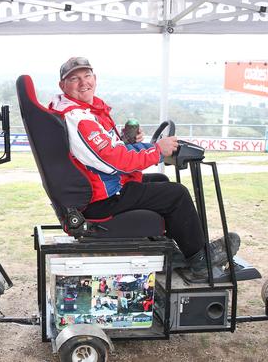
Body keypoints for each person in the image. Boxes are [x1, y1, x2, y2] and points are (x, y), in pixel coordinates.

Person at [48, 57, 240, 279]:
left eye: (87, 76)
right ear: (63, 85)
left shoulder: (82, 111)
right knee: (176, 194)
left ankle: (174, 251)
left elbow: (101, 152)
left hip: (97, 189)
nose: (83, 83)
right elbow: (112, 160)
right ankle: (200, 261)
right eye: (74, 79)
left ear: (95, 78)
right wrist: (156, 151)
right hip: (100, 200)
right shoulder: (78, 118)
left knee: (161, 182)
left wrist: (129, 143)